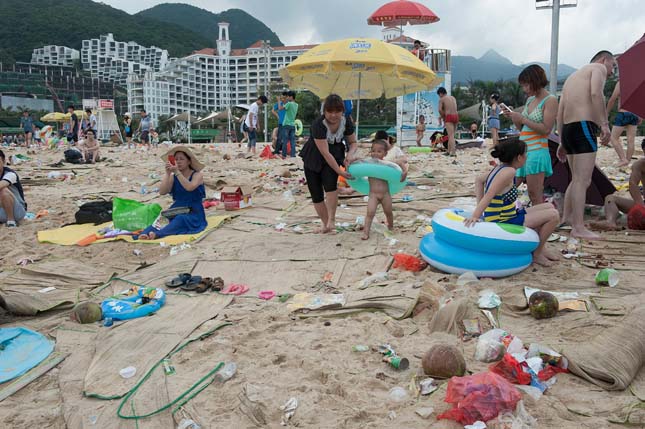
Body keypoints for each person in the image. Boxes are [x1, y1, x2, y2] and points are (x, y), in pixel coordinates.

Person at [467, 137, 560, 266]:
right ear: (519, 157)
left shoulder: (499, 168)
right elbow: (490, 194)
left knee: (549, 206)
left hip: (510, 214)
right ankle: (537, 254)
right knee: (553, 216)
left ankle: (541, 248)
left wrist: (482, 209)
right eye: (525, 154)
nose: (527, 157)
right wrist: (476, 215)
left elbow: (479, 180)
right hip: (503, 221)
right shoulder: (509, 172)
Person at [557, 50, 616, 240]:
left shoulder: (572, 77)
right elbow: (596, 93)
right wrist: (604, 125)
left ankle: (566, 218)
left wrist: (561, 141)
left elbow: (561, 109)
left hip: (568, 128)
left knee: (576, 179)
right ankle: (578, 226)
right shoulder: (598, 68)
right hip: (583, 126)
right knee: (583, 180)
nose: (612, 71)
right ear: (603, 59)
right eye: (612, 65)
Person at [300, 94, 358, 234]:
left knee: (331, 187)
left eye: (337, 111)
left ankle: (331, 220)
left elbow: (353, 143)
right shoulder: (318, 125)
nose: (333, 115)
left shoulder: (346, 122)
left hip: (335, 153)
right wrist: (340, 172)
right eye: (329, 111)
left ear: (342, 111)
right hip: (314, 156)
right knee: (316, 193)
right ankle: (325, 224)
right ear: (324, 111)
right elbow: (325, 153)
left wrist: (349, 155)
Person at [507, 64, 558, 206]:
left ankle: (541, 221)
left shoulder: (550, 100)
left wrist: (523, 119)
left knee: (534, 194)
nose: (524, 89)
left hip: (537, 150)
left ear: (534, 81)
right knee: (509, 186)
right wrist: (515, 118)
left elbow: (546, 129)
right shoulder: (530, 100)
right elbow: (523, 128)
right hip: (522, 149)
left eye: (526, 85)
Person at [137, 146, 207, 240]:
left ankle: (158, 234)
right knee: (162, 219)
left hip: (193, 210)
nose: (178, 161)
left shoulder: (197, 175)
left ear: (189, 161)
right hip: (177, 207)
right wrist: (168, 173)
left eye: (182, 159)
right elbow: (162, 192)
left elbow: (189, 187)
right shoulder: (173, 177)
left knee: (180, 219)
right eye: (176, 159)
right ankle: (145, 233)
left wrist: (177, 172)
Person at [597, 156, 645, 229]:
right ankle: (610, 221)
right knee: (610, 198)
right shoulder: (640, 164)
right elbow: (633, 183)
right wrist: (640, 205)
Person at [361, 140, 395, 240]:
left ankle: (391, 227)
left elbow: (397, 170)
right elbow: (358, 164)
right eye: (373, 151)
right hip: (373, 195)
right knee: (370, 213)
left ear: (385, 153)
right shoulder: (368, 163)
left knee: (388, 212)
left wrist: (404, 171)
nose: (375, 153)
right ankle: (366, 232)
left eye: (379, 151)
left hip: (385, 194)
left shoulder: (387, 164)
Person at [606, 82, 642, 167]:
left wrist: (606, 113)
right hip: (634, 114)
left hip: (623, 114)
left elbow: (612, 99)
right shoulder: (637, 83)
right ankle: (627, 161)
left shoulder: (621, 83)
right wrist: (640, 115)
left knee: (613, 138)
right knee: (631, 140)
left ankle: (623, 159)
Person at [0, 149, 27, 227]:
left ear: (4, 161)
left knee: (3, 190)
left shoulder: (10, 174)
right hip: (1, 210)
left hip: (17, 212)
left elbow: (2, 185)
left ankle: (11, 221)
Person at [437, 87, 459, 156]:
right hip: (456, 116)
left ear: (440, 93)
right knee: (452, 135)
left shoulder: (442, 99)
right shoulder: (453, 98)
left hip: (449, 116)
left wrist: (443, 117)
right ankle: (449, 151)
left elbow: (440, 110)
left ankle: (453, 152)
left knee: (450, 135)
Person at [279, 90, 299, 158]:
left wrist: (279, 101)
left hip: (286, 124)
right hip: (293, 125)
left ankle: (284, 155)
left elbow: (280, 108)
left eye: (288, 97)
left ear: (291, 97)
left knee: (285, 140)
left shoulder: (289, 104)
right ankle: (293, 155)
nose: (287, 98)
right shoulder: (296, 105)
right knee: (292, 141)